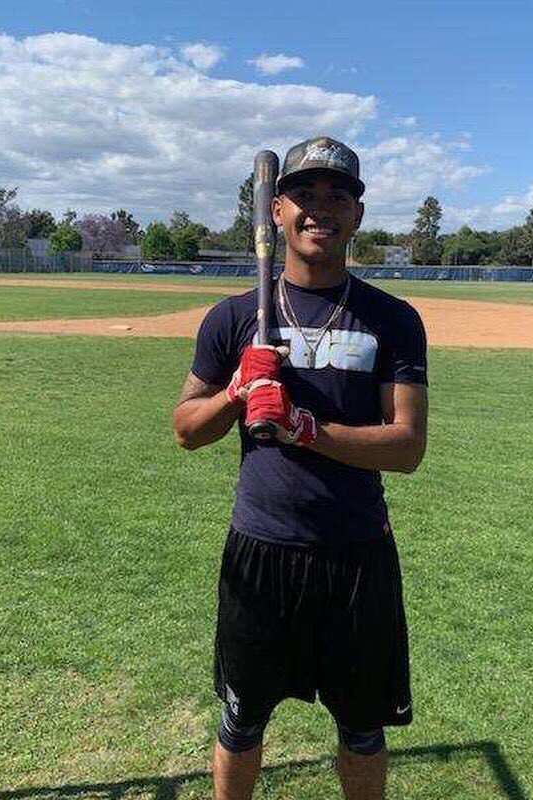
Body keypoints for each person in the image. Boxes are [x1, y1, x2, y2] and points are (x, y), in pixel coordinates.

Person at [173, 136, 428, 800]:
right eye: (305, 196)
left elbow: (407, 447)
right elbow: (185, 430)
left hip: (356, 557)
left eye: (337, 196)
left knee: (363, 729)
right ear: (276, 211)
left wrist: (305, 429)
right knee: (241, 722)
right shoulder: (232, 319)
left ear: (358, 215)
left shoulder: (393, 320)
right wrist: (235, 392)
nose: (322, 210)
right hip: (261, 550)